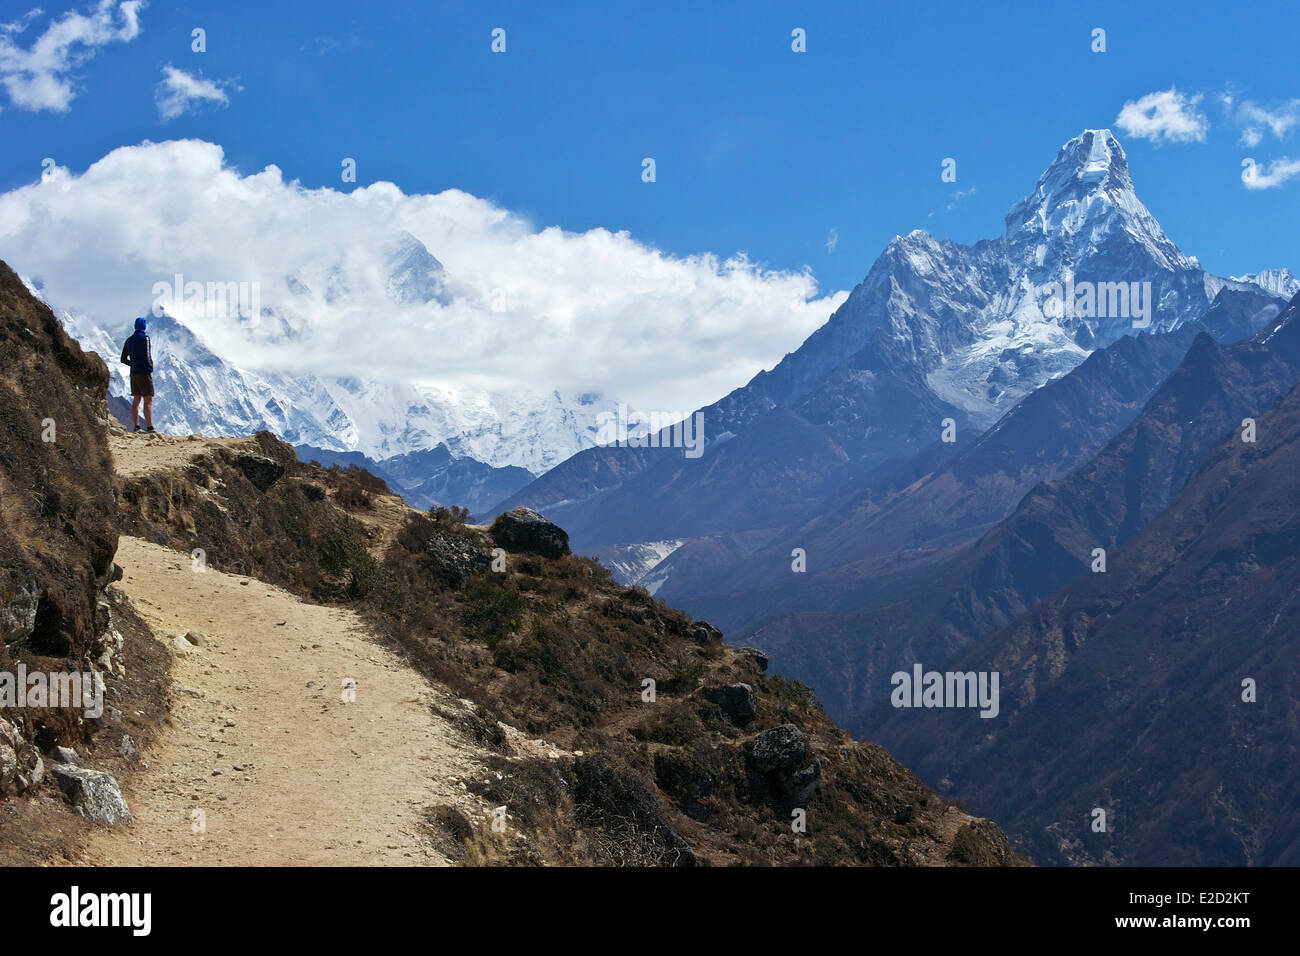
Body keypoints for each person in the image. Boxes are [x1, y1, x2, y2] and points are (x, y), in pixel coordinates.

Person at [120, 316, 155, 433]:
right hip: (144, 372)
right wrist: (150, 366)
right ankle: (150, 427)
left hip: (133, 373)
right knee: (148, 399)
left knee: (136, 399)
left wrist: (133, 364)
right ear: (144, 326)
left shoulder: (128, 340)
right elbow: (148, 355)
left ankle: (136, 426)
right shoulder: (145, 338)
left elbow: (123, 359)